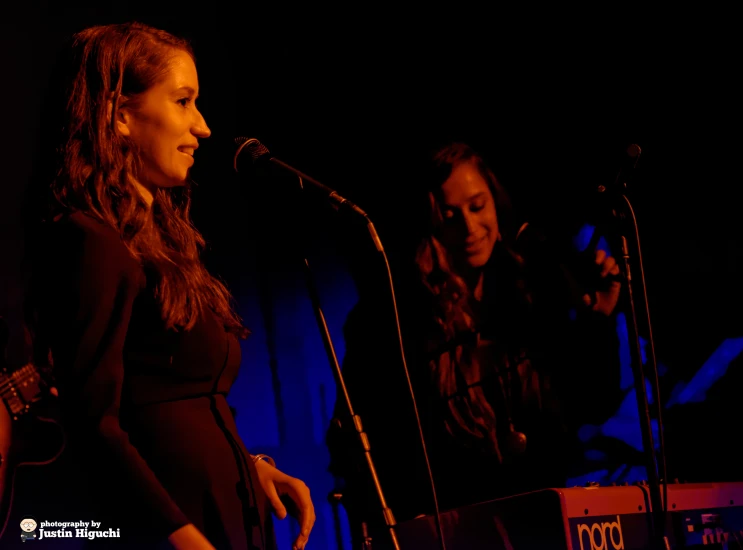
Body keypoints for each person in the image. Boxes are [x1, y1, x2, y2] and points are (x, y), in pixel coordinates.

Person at [22, 21, 315, 549]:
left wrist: (249, 469)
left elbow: (166, 407)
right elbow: (97, 425)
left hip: (222, 511)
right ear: (120, 116)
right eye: (184, 101)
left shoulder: (161, 243)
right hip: (173, 529)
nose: (203, 127)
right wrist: (179, 535)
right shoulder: (90, 241)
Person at [326, 141, 624, 545]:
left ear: (496, 204)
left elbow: (595, 403)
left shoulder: (533, 290)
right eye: (450, 216)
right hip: (454, 529)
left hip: (545, 521)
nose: (469, 228)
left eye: (478, 206)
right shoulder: (396, 317)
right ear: (428, 223)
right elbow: (367, 445)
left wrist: (599, 320)